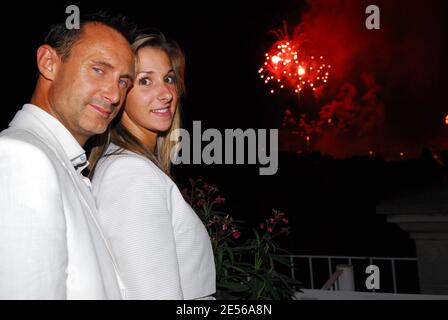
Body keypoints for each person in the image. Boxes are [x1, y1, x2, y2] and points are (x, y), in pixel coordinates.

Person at [0, 11, 135, 299]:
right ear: (49, 63)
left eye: (124, 81)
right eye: (99, 70)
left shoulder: (65, 166)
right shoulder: (21, 157)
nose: (114, 95)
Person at [89, 33, 216, 300]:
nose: (166, 93)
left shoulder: (133, 166)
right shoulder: (131, 174)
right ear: (121, 92)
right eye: (145, 80)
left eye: (169, 79)